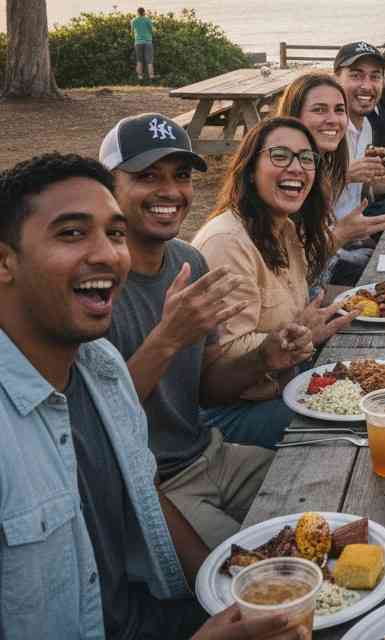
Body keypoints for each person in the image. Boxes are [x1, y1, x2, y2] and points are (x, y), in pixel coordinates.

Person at [0, 154, 312, 640]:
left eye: (114, 233)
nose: (106, 254)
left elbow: (144, 495)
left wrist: (220, 596)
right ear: (5, 261)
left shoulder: (98, 366)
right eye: (71, 233)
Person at [100, 113, 317, 550]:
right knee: (269, 571)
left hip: (211, 453)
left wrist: (264, 357)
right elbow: (96, 420)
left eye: (180, 176)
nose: (170, 191)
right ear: (109, 186)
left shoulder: (188, 262)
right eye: (147, 176)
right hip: (154, 485)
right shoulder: (95, 283)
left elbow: (207, 390)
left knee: (325, 483)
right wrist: (168, 338)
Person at [193, 117, 356, 448]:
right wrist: (303, 332)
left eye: (306, 158)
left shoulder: (283, 227)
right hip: (231, 413)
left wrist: (312, 329)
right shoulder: (227, 241)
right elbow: (221, 360)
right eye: (280, 155)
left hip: (284, 383)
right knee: (351, 431)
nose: (297, 168)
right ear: (250, 169)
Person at [277, 73, 385, 272]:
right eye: (319, 110)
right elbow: (288, 268)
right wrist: (342, 235)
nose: (332, 120)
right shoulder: (286, 174)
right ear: (294, 116)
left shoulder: (321, 163)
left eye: (339, 110)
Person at [332, 41, 385, 282]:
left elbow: (359, 191)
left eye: (375, 76)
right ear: (336, 79)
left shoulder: (365, 125)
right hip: (329, 253)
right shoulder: (328, 129)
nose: (367, 85)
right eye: (356, 75)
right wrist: (343, 175)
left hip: (355, 239)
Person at [132, 5, 155, 82]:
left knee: (139, 60)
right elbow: (152, 30)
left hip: (138, 42)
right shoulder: (147, 20)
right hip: (148, 42)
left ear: (137, 13)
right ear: (144, 12)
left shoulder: (133, 21)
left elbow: (132, 32)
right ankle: (151, 77)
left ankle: (140, 77)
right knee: (149, 60)